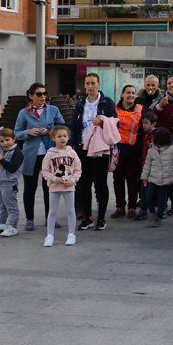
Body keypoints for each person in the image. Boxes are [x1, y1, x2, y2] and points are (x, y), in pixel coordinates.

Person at [14, 82, 65, 231]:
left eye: (44, 94)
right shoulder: (24, 113)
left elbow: (62, 126)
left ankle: (50, 218)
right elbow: (16, 133)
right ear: (31, 95)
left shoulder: (53, 110)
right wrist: (27, 133)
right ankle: (29, 219)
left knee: (50, 188)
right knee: (29, 189)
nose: (42, 97)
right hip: (30, 155)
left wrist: (49, 130)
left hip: (50, 155)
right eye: (39, 94)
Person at [69, 73, 117, 231]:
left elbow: (115, 122)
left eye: (93, 83)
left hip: (100, 149)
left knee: (100, 184)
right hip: (82, 148)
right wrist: (73, 145)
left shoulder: (107, 102)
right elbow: (74, 125)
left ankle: (101, 217)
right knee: (83, 184)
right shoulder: (80, 103)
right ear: (84, 85)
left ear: (98, 84)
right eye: (88, 83)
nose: (90, 86)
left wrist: (102, 121)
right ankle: (88, 217)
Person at [41, 126, 82, 247]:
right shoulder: (49, 154)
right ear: (53, 138)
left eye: (64, 136)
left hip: (69, 186)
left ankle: (71, 234)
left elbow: (78, 169)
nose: (62, 138)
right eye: (59, 136)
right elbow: (44, 171)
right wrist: (55, 179)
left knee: (70, 210)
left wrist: (73, 180)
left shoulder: (72, 153)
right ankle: (49, 235)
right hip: (54, 186)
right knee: (52, 211)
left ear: (68, 137)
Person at [140, 127, 173, 228]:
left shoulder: (172, 148)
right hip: (152, 178)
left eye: (154, 138)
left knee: (162, 200)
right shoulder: (151, 149)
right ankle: (152, 213)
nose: (152, 139)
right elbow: (147, 164)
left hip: (165, 180)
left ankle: (159, 217)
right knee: (148, 195)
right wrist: (144, 177)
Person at [111, 85, 143, 219]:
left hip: (133, 151)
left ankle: (131, 207)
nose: (131, 95)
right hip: (117, 150)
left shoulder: (140, 109)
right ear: (122, 94)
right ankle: (119, 207)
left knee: (132, 180)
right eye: (128, 92)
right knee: (117, 179)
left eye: (133, 93)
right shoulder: (114, 110)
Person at [0, 128, 24, 237]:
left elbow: (12, 168)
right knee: (1, 205)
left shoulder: (18, 152)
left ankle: (13, 227)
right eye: (1, 141)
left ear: (14, 139)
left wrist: (0, 159)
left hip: (9, 184)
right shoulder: (0, 150)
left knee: (11, 206)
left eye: (7, 140)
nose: (4, 143)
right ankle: (2, 223)